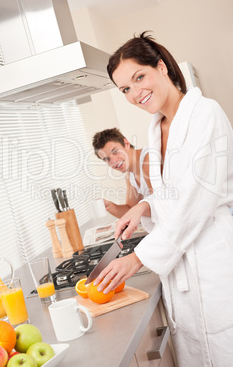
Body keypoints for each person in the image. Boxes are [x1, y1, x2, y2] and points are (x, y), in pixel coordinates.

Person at [93, 31, 233, 366]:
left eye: (139, 77)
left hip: (212, 267)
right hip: (180, 274)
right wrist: (144, 204)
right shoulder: (157, 129)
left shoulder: (205, 115)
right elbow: (171, 192)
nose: (135, 93)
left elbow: (196, 201)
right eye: (125, 88)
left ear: (161, 67)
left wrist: (137, 258)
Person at [92, 128, 151, 218]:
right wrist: (110, 206)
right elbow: (130, 209)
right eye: (107, 159)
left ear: (126, 144)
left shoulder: (148, 161)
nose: (114, 161)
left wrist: (139, 209)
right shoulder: (130, 175)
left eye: (115, 151)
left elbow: (162, 206)